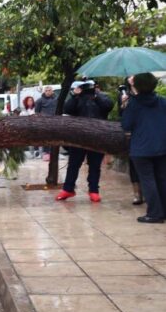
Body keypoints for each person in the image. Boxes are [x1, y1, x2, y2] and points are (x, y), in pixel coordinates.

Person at [55, 80, 113, 202]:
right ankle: (68, 189)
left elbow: (108, 106)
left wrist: (96, 96)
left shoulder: (102, 97)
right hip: (79, 138)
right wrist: (75, 95)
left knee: (95, 165)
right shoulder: (78, 98)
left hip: (98, 137)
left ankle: (93, 190)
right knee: (73, 164)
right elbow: (67, 109)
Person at [121, 73, 166, 223]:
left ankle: (154, 214)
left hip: (141, 148)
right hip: (162, 146)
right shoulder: (162, 102)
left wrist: (125, 105)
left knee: (148, 180)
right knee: (162, 179)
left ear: (137, 86)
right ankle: (163, 211)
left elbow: (126, 125)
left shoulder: (133, 104)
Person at [119, 76, 144, 205]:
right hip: (132, 136)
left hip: (146, 135)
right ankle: (137, 194)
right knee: (134, 165)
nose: (132, 79)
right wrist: (124, 104)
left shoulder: (148, 96)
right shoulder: (126, 95)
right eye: (129, 77)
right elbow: (124, 118)